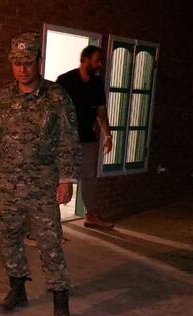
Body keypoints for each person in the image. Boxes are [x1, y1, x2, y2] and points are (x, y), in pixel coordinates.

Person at [0, 32, 82, 316]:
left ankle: (60, 302)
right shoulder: (3, 97)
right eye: (16, 63)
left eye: (28, 62)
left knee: (50, 243)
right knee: (8, 238)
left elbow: (68, 141)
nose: (22, 69)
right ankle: (17, 289)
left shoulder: (56, 97)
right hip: (5, 183)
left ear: (39, 62)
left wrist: (66, 179)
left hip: (42, 186)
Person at [56, 45, 114, 230]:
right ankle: (51, 221)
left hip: (88, 139)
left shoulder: (96, 83)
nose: (100, 64)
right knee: (60, 178)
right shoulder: (65, 80)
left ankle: (91, 216)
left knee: (89, 178)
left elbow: (101, 111)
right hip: (65, 140)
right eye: (97, 60)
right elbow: (53, 110)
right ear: (85, 59)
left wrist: (107, 135)